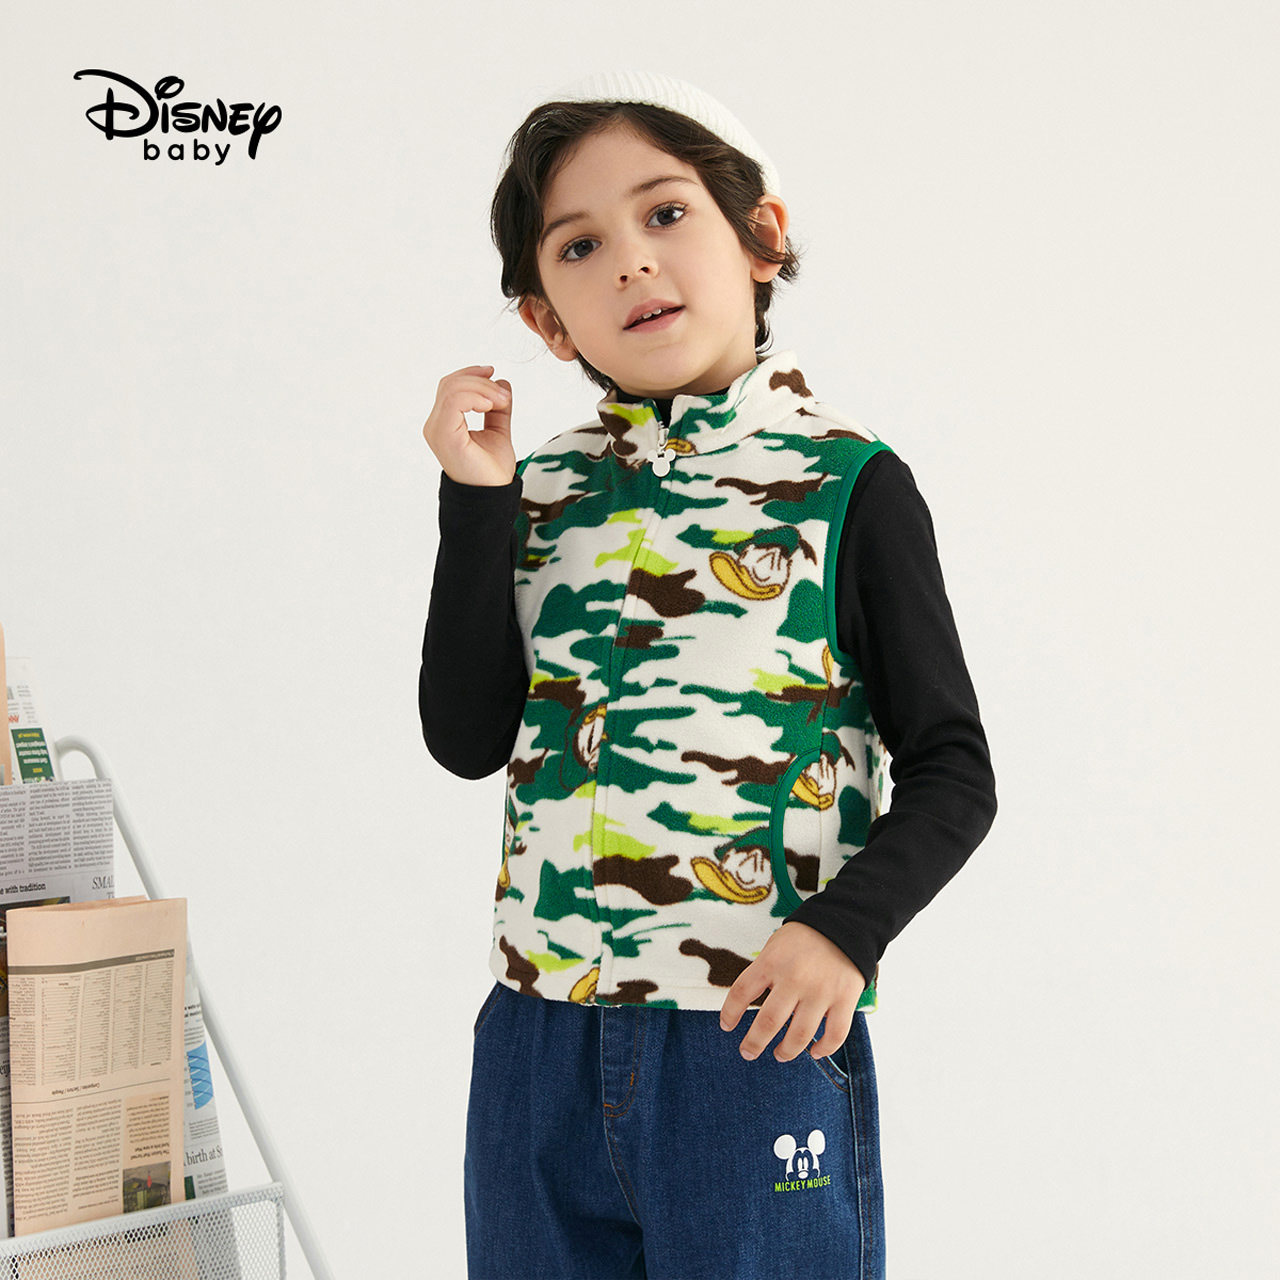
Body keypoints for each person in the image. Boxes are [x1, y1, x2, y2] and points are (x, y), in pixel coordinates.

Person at [419, 70, 996, 1280]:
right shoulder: (536, 495)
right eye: (580, 245)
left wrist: (841, 934)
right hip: (536, 1038)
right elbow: (467, 737)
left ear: (761, 237)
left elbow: (953, 770)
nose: (630, 259)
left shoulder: (846, 485)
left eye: (665, 212)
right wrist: (475, 504)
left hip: (750, 1034)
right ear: (546, 321)